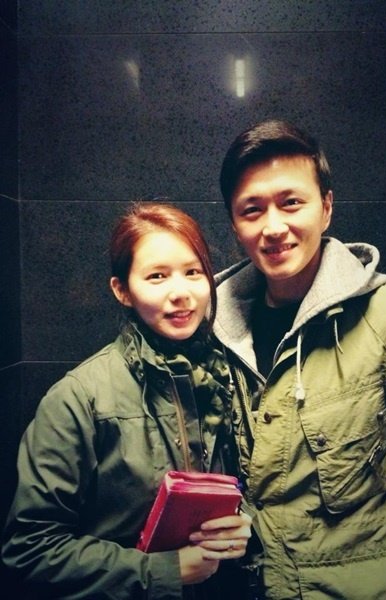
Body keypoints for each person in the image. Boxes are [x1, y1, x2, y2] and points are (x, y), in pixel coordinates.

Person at [212, 119, 386, 599]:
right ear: (235, 226)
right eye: (252, 210)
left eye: (291, 202)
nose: (273, 227)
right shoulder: (214, 329)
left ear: (326, 208)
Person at [1, 201, 254, 600]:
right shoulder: (79, 398)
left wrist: (241, 524)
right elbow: (29, 549)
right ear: (122, 290)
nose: (180, 293)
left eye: (193, 272)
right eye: (157, 276)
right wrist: (164, 571)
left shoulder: (227, 376)